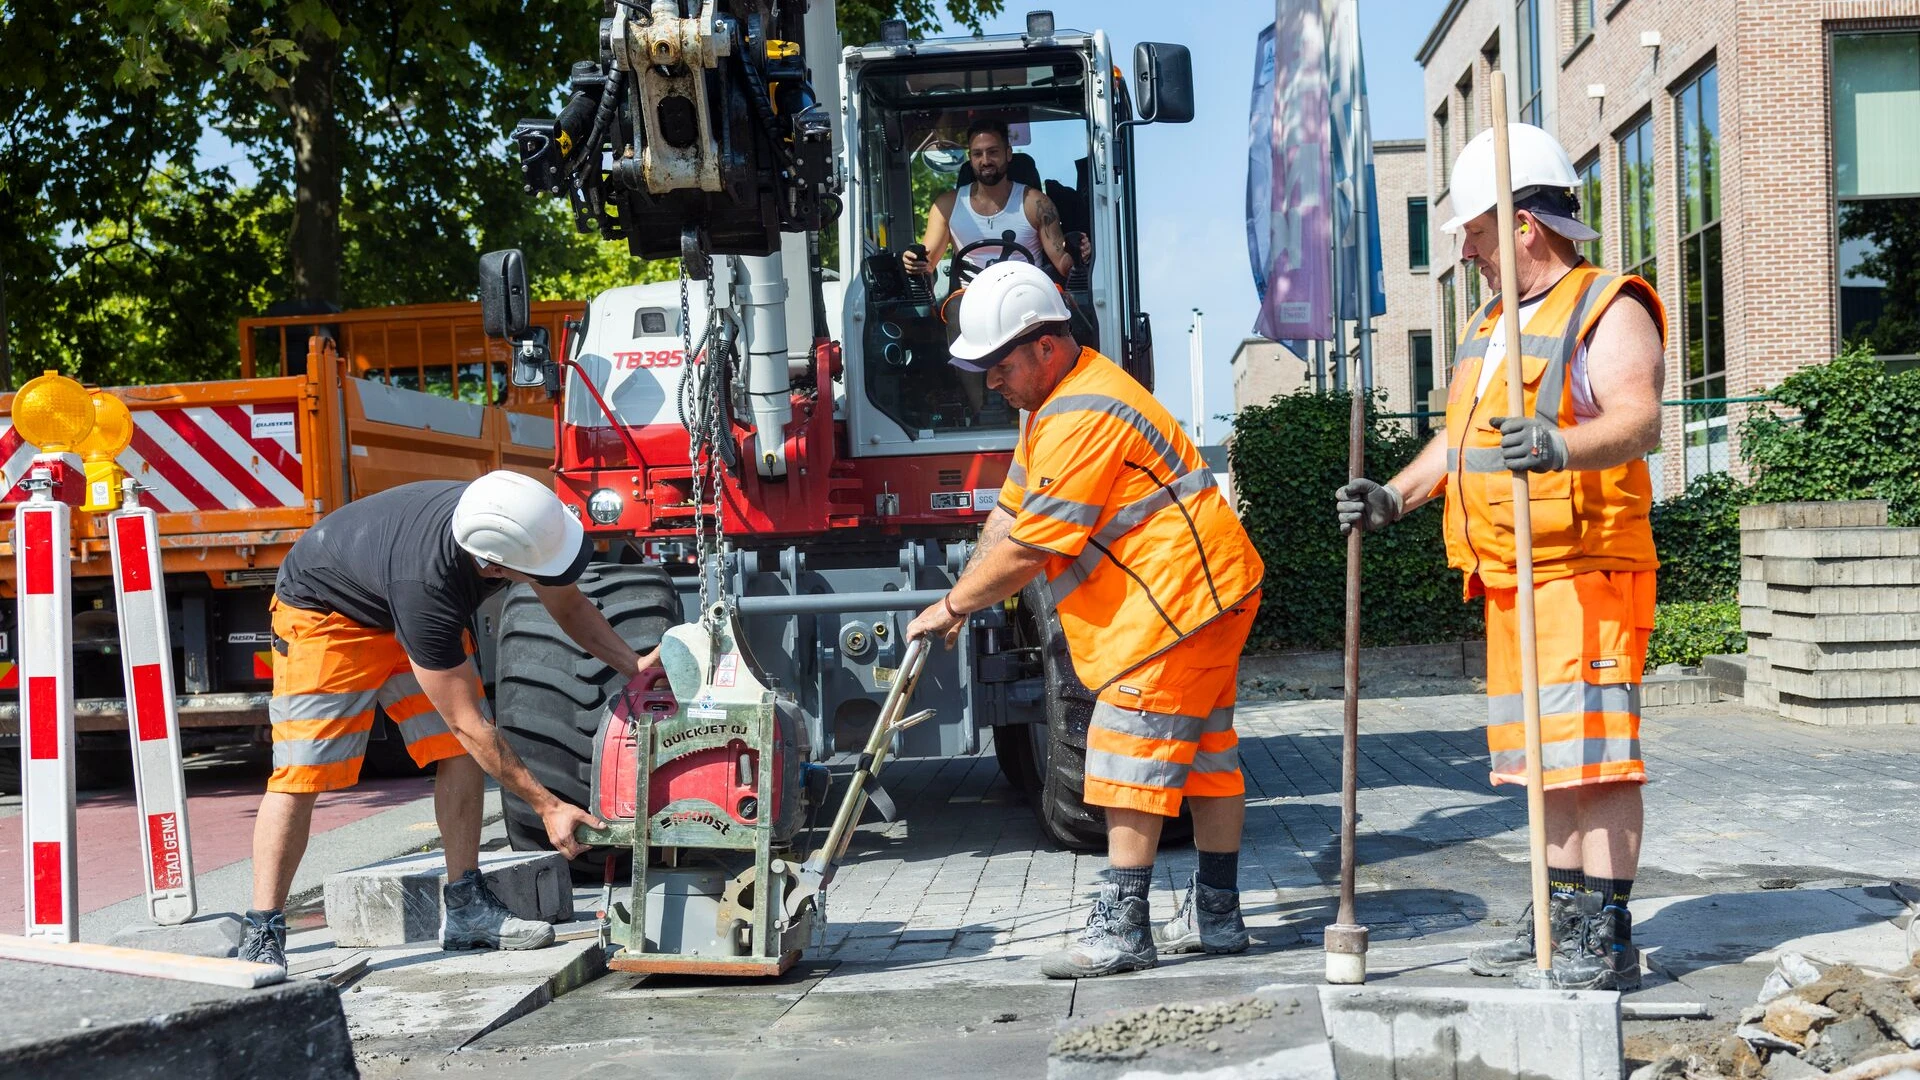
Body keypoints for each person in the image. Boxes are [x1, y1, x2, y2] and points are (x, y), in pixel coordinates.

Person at [1335, 123, 1666, 991]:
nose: (1467, 253)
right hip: (1514, 580)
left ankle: (1606, 929)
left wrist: (1559, 446)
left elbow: (1640, 418)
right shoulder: (1493, 323)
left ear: (1524, 223)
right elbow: (1458, 443)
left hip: (1585, 570)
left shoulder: (1608, 304)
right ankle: (1558, 912)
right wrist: (1394, 497)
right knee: (1541, 765)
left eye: (1476, 233)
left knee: (1597, 760)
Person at [905, 261, 1265, 979]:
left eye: (997, 364)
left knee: (1125, 750)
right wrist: (964, 594)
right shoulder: (1053, 408)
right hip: (1206, 592)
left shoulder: (1080, 413)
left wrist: (953, 605)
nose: (990, 380)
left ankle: (1124, 926)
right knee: (1206, 756)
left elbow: (1035, 546)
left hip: (1174, 603)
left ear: (1045, 346)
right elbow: (1009, 516)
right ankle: (1218, 917)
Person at [238, 472, 656, 970]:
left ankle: (466, 909)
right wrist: (547, 806)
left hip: (393, 591)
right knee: (300, 774)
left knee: (459, 757)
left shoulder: (504, 513)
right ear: (494, 567)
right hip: (328, 614)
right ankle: (262, 931)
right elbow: (469, 724)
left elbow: (566, 602)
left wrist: (636, 667)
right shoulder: (430, 588)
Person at [900, 119, 1090, 281]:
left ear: (1008, 154)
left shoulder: (1037, 204)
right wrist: (914, 262)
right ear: (970, 158)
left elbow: (1064, 265)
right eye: (977, 154)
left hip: (1028, 298)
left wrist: (1079, 254)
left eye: (993, 152)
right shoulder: (946, 206)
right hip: (969, 303)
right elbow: (927, 264)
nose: (985, 161)